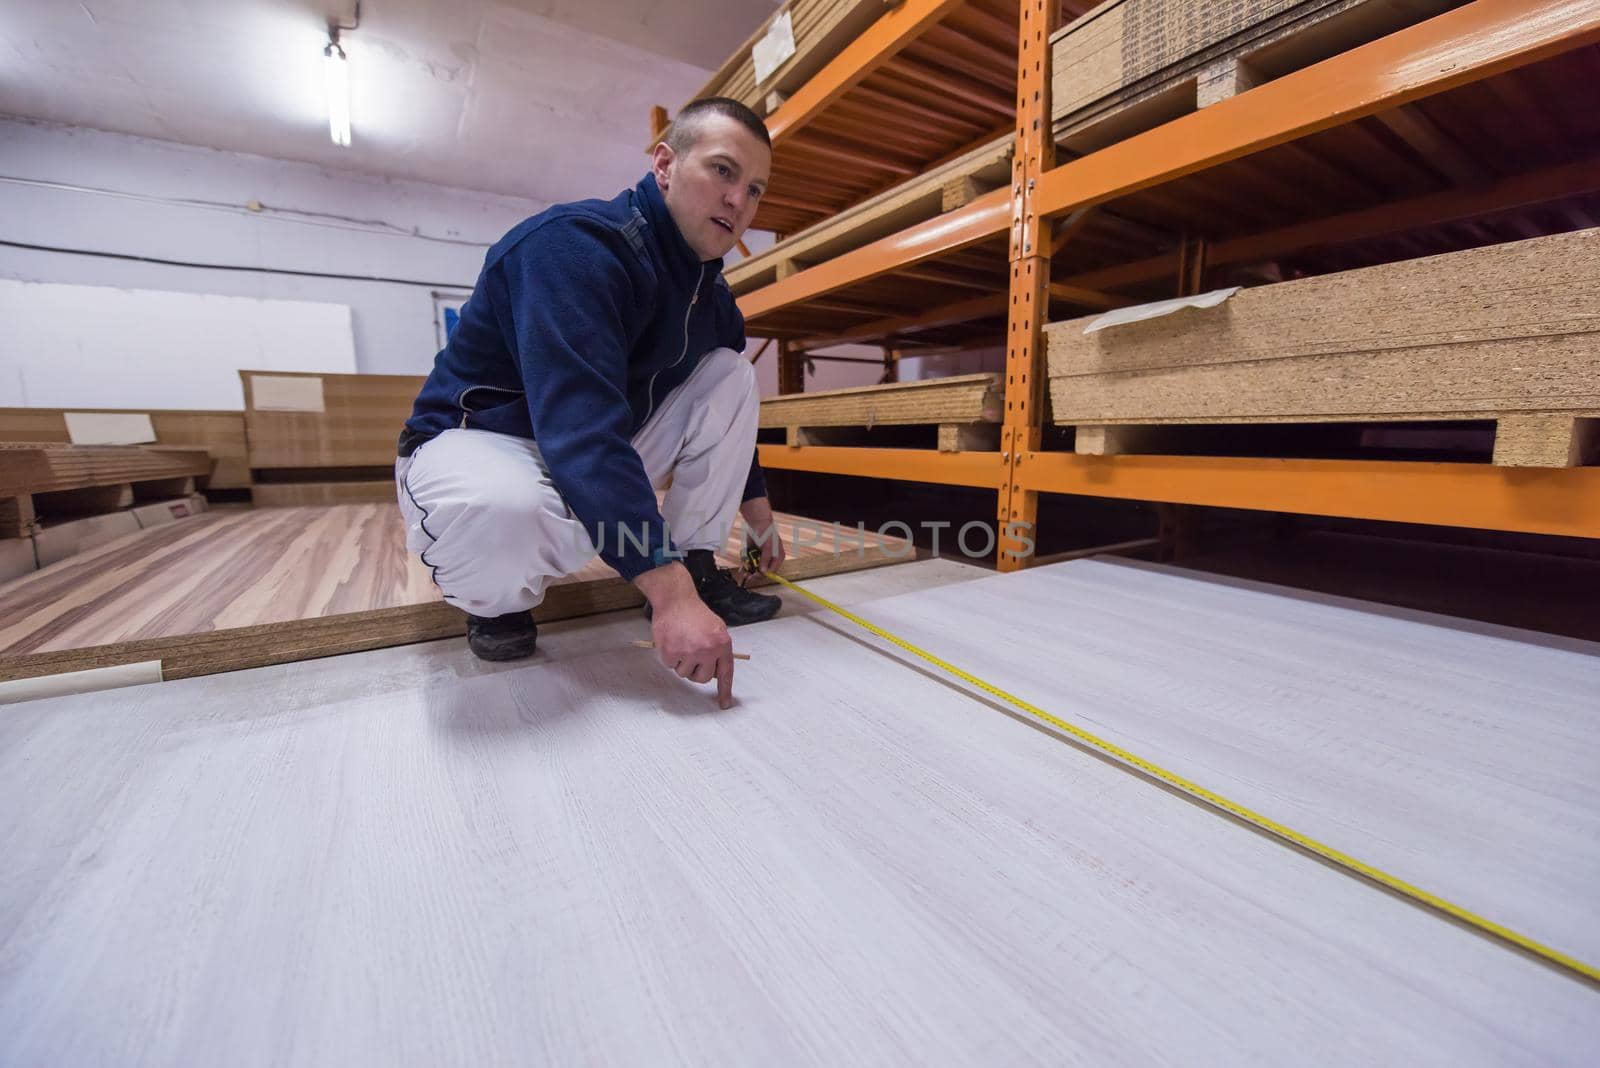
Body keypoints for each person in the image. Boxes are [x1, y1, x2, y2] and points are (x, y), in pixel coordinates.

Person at [396, 97, 785, 709]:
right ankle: (499, 605)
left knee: (730, 373)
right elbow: (582, 431)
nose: (740, 201)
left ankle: (696, 562)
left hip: (588, 442)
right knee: (498, 513)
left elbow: (725, 417)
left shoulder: (712, 301)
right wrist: (668, 596)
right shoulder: (572, 250)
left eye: (756, 189)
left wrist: (759, 519)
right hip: (482, 442)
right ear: (664, 165)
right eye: (723, 171)